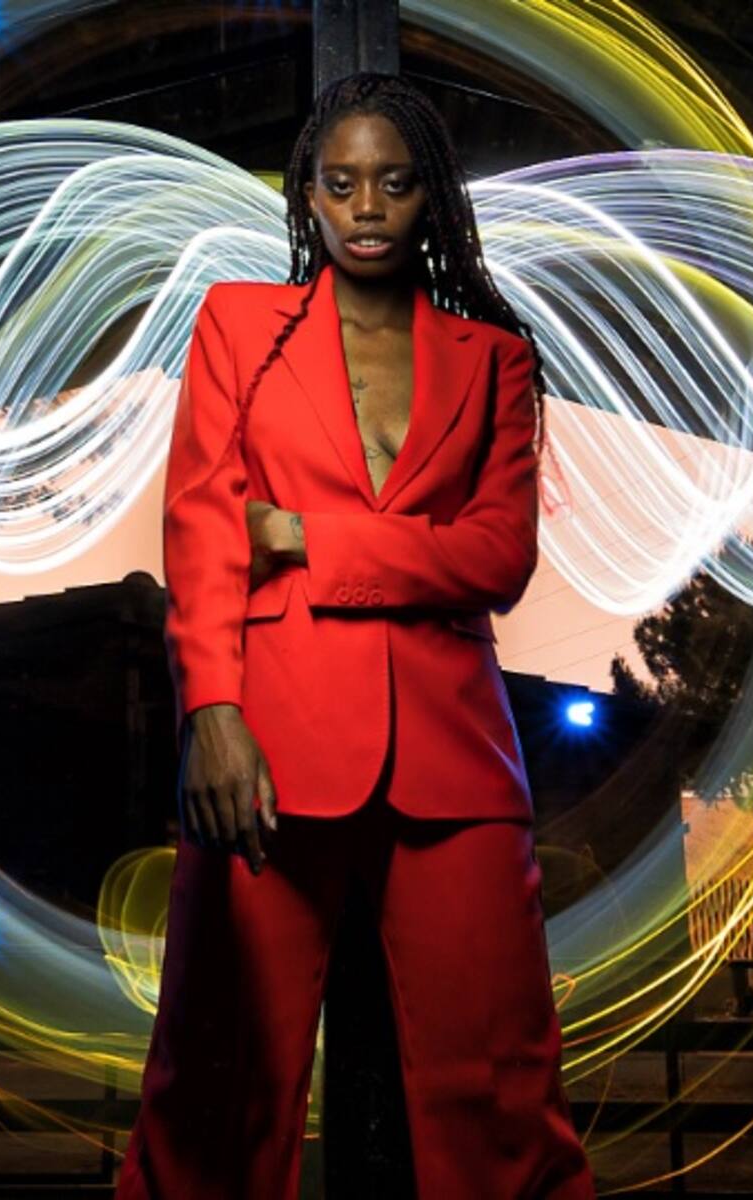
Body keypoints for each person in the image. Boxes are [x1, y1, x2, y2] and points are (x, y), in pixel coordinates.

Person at [114, 71, 596, 1199]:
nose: (367, 207)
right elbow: (203, 533)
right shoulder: (240, 325)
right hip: (267, 746)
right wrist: (213, 715)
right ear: (308, 199)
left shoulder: (495, 357)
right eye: (342, 185)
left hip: (455, 754)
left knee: (503, 1089)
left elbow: (498, 558)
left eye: (393, 183)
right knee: (218, 1085)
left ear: (430, 197)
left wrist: (307, 539)